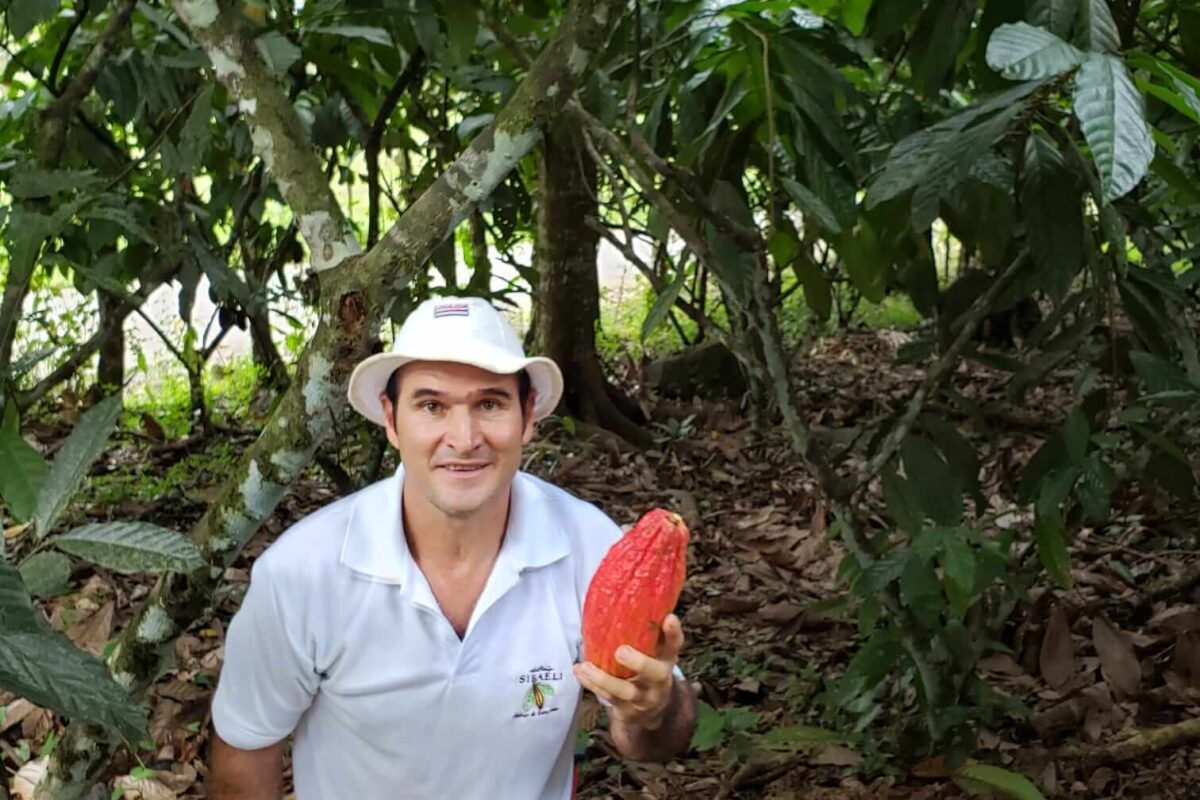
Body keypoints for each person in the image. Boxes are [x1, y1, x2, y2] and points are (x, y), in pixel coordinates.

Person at [207, 296, 697, 799]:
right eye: (431, 406)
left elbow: (653, 741)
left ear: (527, 416)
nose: (463, 439)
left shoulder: (589, 546)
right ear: (392, 421)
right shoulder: (301, 572)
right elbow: (247, 747)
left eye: (489, 404)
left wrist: (652, 708)